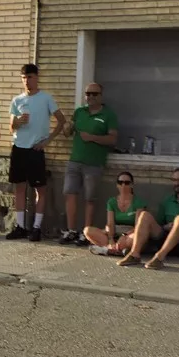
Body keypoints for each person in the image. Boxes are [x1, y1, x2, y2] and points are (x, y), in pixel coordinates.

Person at [6, 63, 67, 242]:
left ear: (37, 77)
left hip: (35, 149)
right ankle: (20, 226)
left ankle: (37, 227)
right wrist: (17, 121)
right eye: (24, 77)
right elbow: (11, 127)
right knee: (19, 188)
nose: (27, 81)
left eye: (30, 77)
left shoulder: (46, 98)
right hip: (18, 148)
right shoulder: (17, 100)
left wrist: (47, 141)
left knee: (40, 189)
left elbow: (61, 121)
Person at [60, 81, 119, 245]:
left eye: (94, 94)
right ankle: (71, 231)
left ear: (101, 96)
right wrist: (67, 127)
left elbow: (113, 139)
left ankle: (86, 233)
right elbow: (68, 132)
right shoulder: (79, 112)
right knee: (70, 194)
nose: (90, 97)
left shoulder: (108, 115)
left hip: (94, 163)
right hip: (75, 160)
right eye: (88, 94)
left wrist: (92, 137)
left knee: (89, 198)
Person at [119, 167, 179, 269]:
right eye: (175, 180)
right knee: (144, 215)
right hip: (165, 239)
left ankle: (159, 258)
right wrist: (166, 227)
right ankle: (134, 254)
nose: (177, 183)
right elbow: (158, 225)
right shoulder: (167, 201)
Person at [83, 171, 146, 257]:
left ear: (132, 185)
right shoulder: (112, 201)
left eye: (127, 183)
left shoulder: (138, 202)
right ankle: (118, 250)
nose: (123, 185)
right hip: (115, 231)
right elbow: (110, 223)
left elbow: (138, 226)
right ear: (117, 185)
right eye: (120, 183)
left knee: (134, 239)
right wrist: (111, 239)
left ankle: (108, 250)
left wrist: (124, 235)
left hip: (130, 233)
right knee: (87, 231)